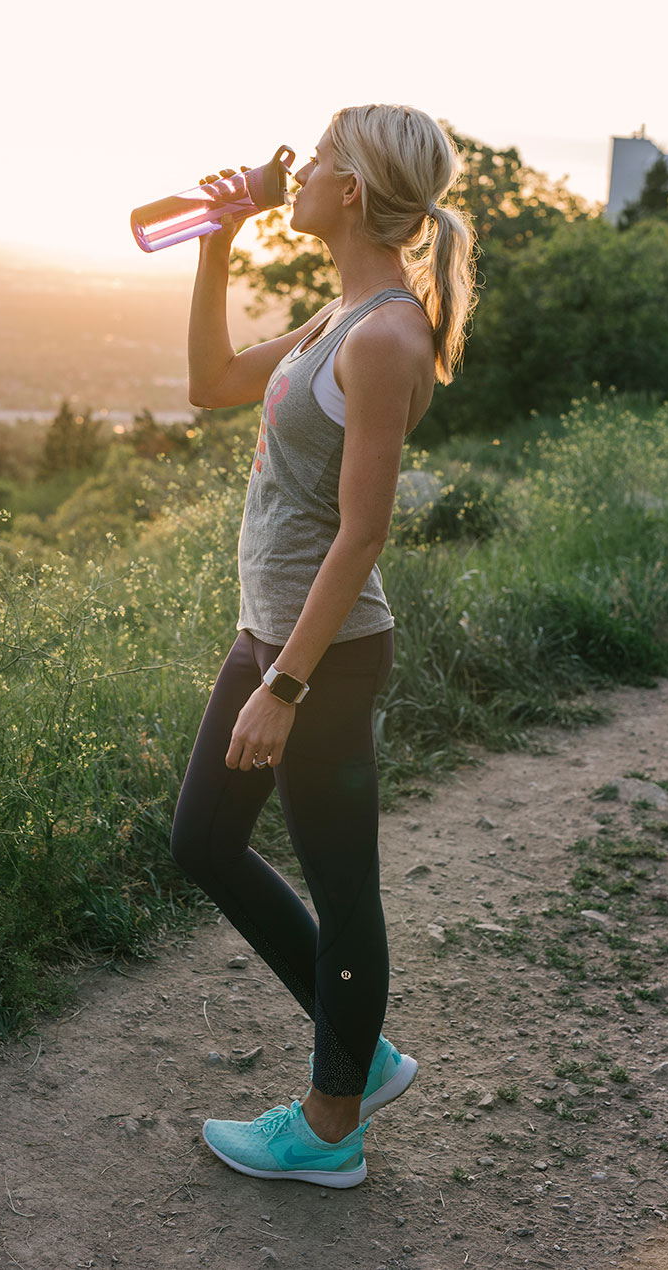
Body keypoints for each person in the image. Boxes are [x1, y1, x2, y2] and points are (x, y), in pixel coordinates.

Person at [170, 103, 476, 1188]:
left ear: (350, 192)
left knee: (344, 886)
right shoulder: (334, 316)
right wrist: (218, 238)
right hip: (273, 638)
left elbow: (363, 530)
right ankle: (364, 1046)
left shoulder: (388, 335)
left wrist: (286, 685)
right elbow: (209, 382)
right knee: (202, 841)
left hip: (325, 658)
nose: (293, 174)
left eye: (317, 162)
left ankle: (332, 1121)